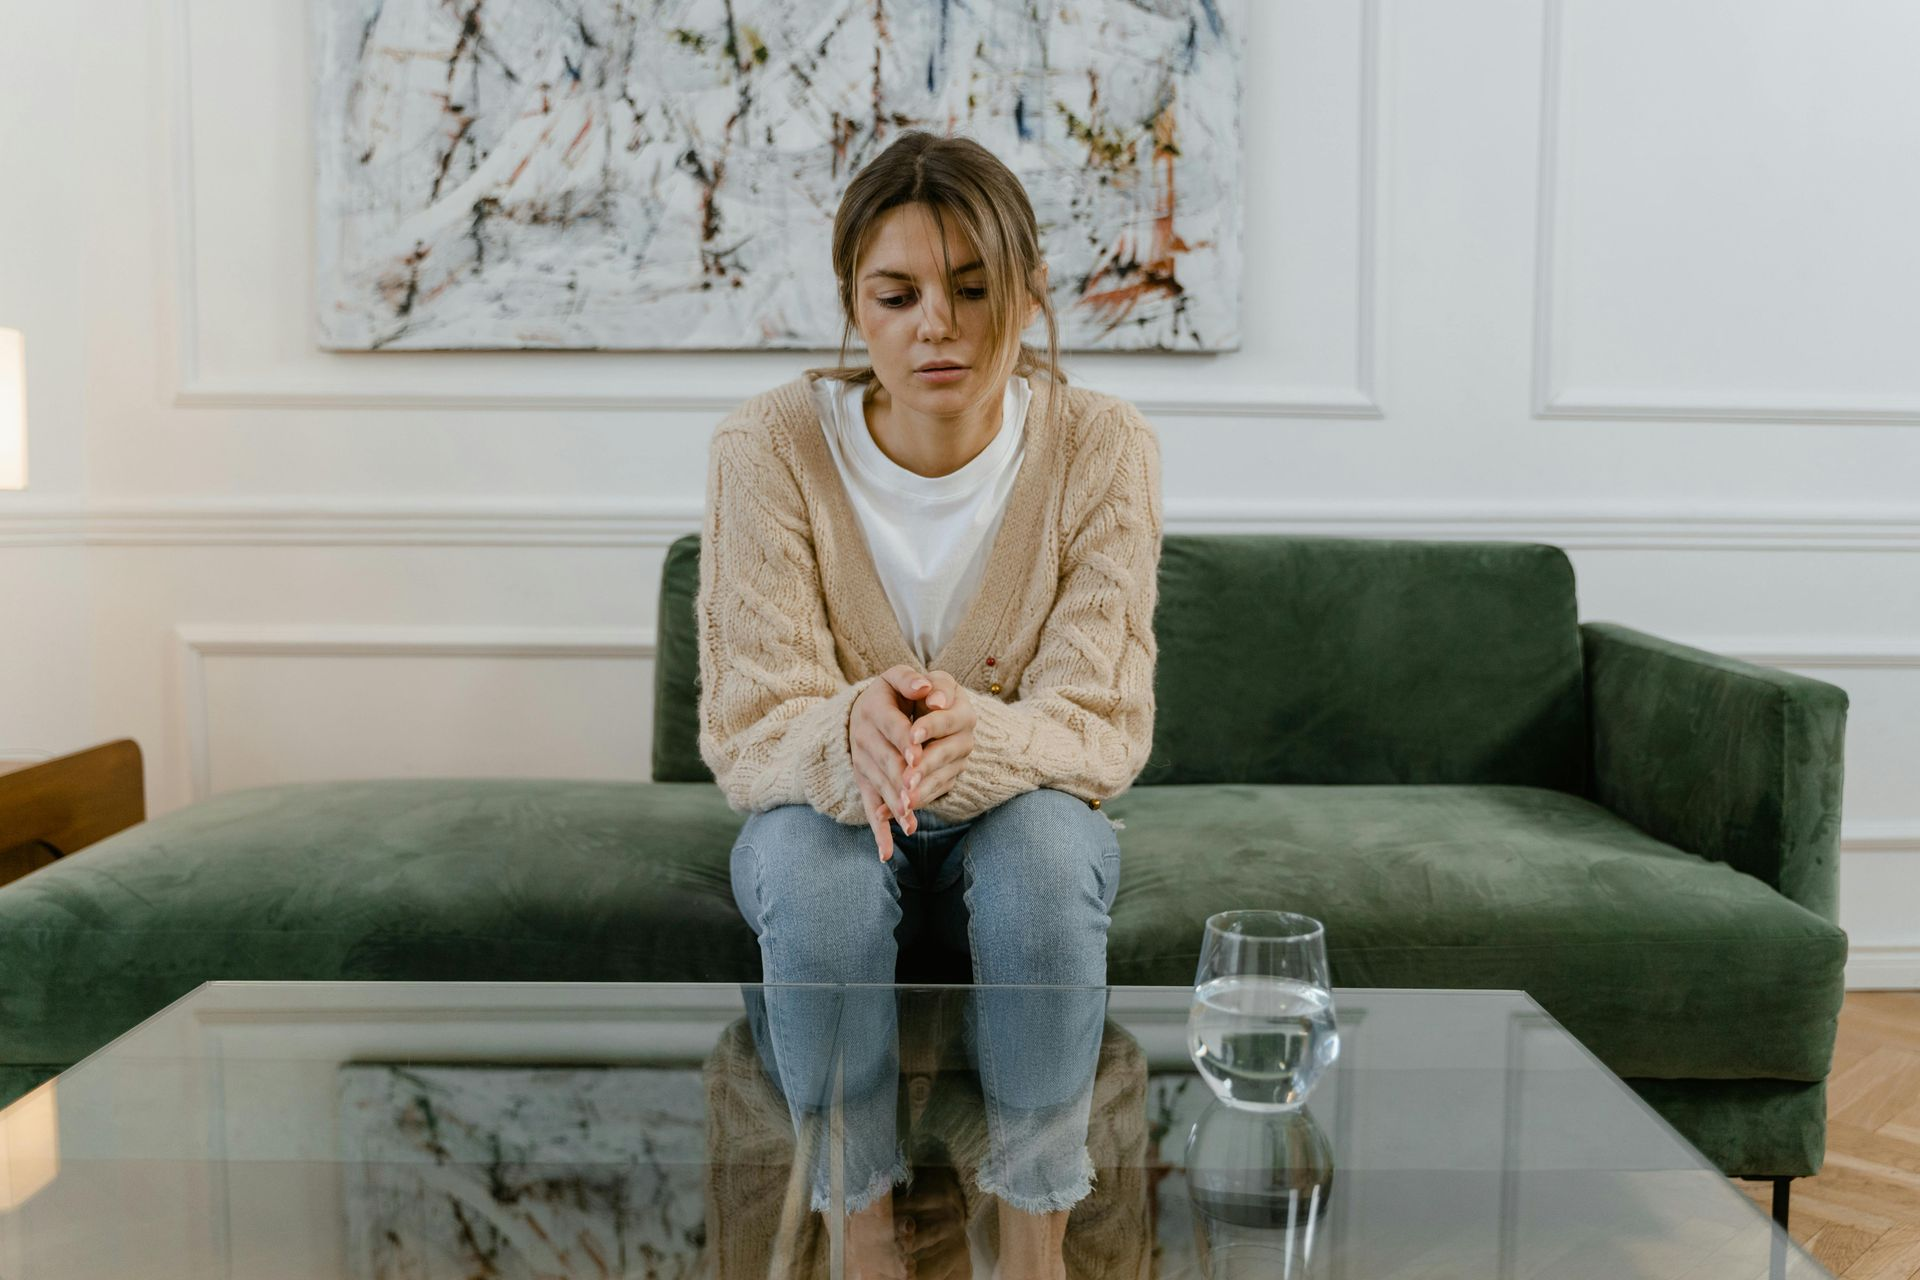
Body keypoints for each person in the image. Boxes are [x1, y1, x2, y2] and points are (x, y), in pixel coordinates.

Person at [696, 128, 1163, 1280]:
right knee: (812, 877)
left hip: (1022, 807)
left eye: (971, 288)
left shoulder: (1103, 446)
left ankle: (1037, 1234)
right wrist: (842, 723)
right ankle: (859, 1230)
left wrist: (980, 730)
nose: (935, 326)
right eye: (896, 294)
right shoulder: (767, 445)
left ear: (1029, 290)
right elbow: (752, 724)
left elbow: (1097, 724)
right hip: (826, 806)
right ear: (857, 303)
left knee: (1051, 857)